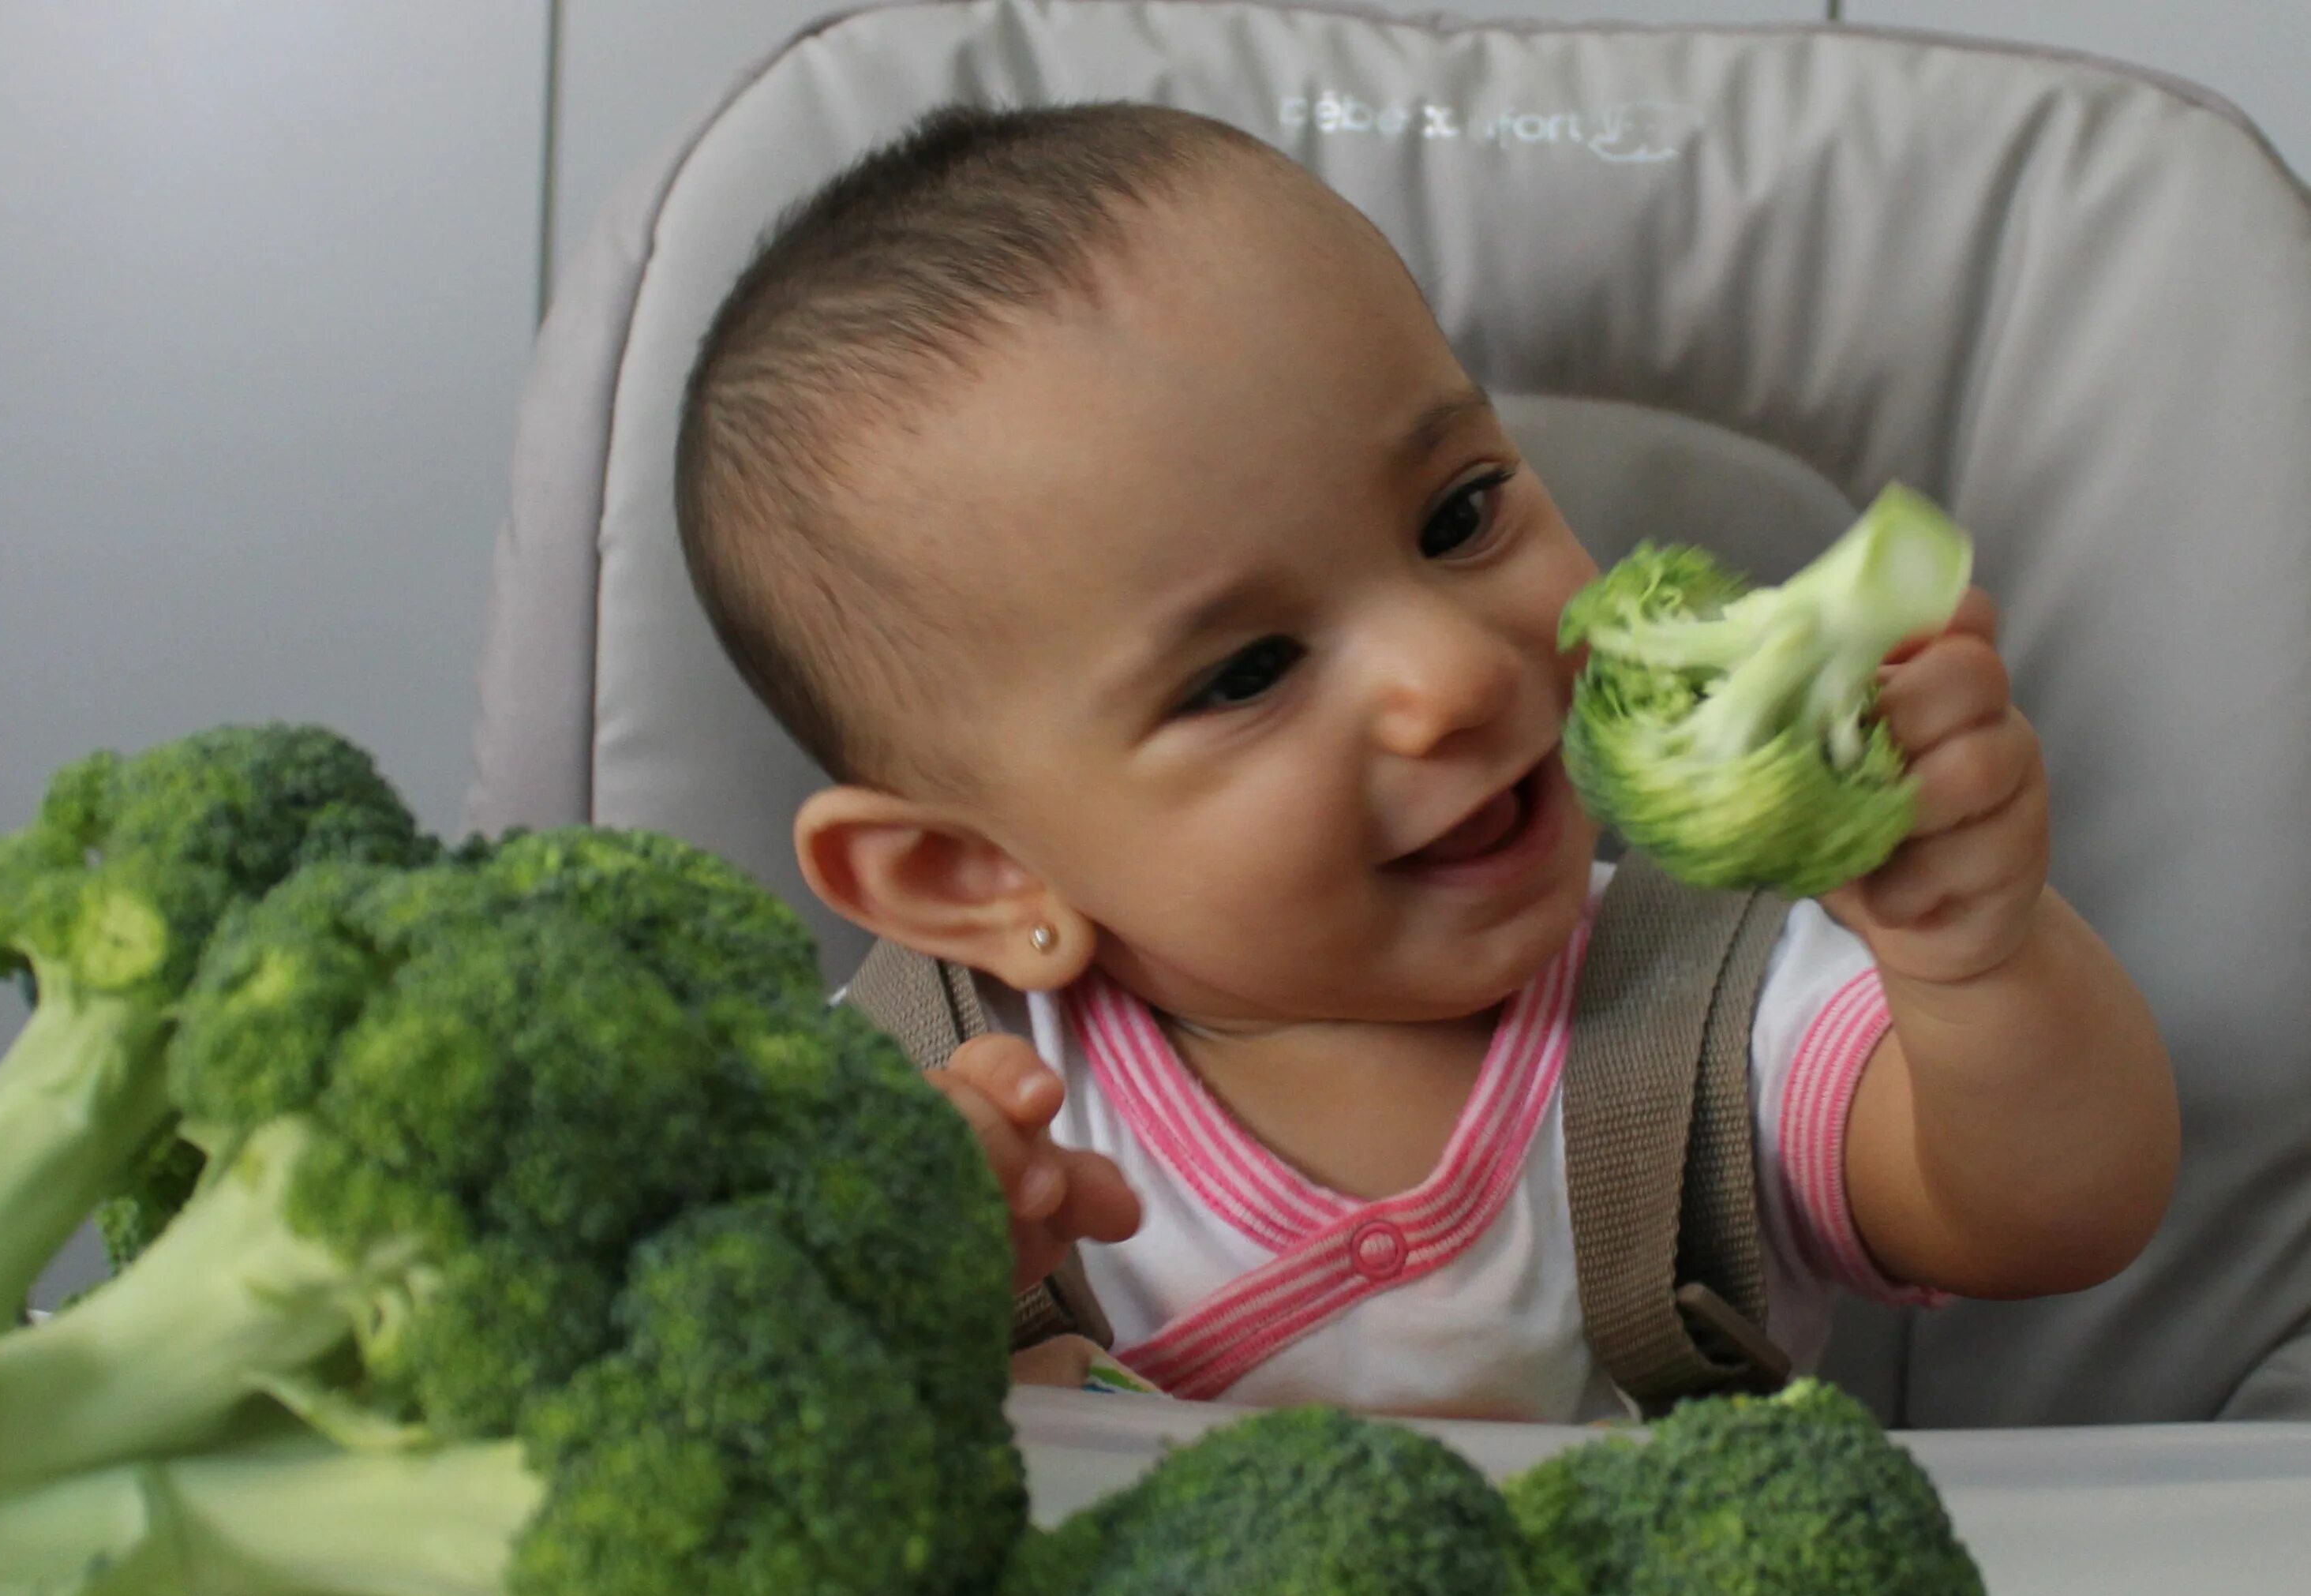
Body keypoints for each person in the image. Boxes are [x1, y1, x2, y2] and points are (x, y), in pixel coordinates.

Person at [672, 99, 2181, 1419]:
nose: (1455, 675)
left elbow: (2051, 1218)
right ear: (973, 872)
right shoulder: (915, 1116)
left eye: (1460, 516)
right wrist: (886, 1295)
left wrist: (1973, 962)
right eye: (1248, 672)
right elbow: (700, 1450)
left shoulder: (1708, 1018)